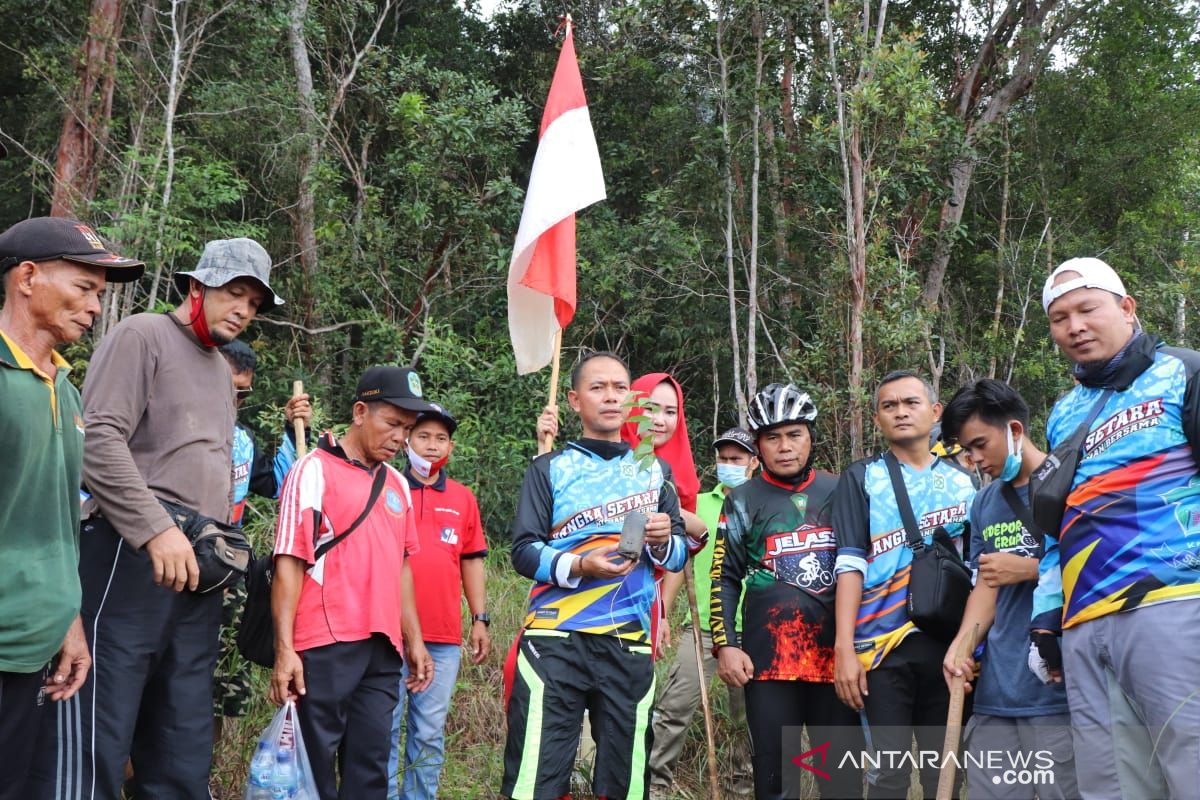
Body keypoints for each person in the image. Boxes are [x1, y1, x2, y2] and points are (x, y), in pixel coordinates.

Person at [28, 236, 281, 800]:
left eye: (255, 303)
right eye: (234, 294)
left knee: (181, 737)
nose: (244, 310)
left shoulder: (220, 369)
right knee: (97, 725)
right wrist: (155, 529)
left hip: (199, 568)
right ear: (197, 286)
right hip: (128, 551)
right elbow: (98, 442)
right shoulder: (143, 335)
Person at [1030, 257, 1200, 799]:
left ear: (1126, 308)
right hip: (1085, 625)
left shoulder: (1184, 371)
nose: (1075, 326)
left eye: (1087, 309)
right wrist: (1046, 616)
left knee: (1190, 762)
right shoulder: (1064, 412)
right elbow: (1059, 518)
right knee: (1111, 785)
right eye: (1060, 318)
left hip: (1173, 602)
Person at [0, 217, 143, 799]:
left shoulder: (66, 389)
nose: (93, 308)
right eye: (83, 289)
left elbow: (60, 521)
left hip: (35, 644)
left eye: (100, 296)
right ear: (27, 277)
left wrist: (70, 621)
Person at [502, 351, 687, 800]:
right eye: (597, 388)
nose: (610, 397)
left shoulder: (655, 471)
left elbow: (680, 554)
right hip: (555, 639)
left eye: (620, 388)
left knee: (626, 781)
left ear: (631, 400)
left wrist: (663, 540)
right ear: (573, 400)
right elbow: (523, 551)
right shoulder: (548, 468)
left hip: (628, 641)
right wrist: (580, 565)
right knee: (536, 779)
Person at [271, 365, 435, 799]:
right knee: (313, 765)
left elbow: (401, 565)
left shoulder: (397, 483)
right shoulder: (312, 471)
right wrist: (285, 648)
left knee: (370, 766)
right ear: (360, 411)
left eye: (408, 428)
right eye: (392, 423)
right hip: (323, 643)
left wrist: (413, 639)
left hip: (382, 648)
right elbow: (290, 559)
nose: (401, 437)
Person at [712, 385, 863, 799]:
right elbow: (724, 576)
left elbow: (865, 564)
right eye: (772, 437)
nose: (784, 447)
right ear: (758, 446)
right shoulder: (741, 500)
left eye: (794, 434)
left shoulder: (842, 488)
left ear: (811, 437)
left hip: (836, 660)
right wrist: (726, 644)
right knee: (776, 781)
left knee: (843, 780)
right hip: (769, 661)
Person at [832, 370, 977, 799]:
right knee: (888, 773)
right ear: (876, 418)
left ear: (935, 412)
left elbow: (975, 567)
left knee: (946, 772)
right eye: (889, 405)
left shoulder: (965, 481)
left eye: (911, 403)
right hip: (879, 648)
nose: (900, 412)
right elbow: (850, 564)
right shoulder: (860, 478)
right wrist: (844, 648)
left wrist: (972, 645)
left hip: (946, 646)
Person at [939, 379, 1077, 799]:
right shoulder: (984, 503)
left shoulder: (1071, 482)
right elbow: (986, 584)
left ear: (1014, 430)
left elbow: (1101, 570)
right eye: (968, 450)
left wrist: (1032, 568)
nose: (976, 460)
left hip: (1057, 693)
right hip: (997, 693)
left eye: (981, 444)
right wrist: (962, 644)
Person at [387, 403, 491, 800]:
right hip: (388, 633)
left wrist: (480, 618)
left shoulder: (463, 498)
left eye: (441, 438)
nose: (432, 446)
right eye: (424, 436)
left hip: (443, 638)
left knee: (429, 733)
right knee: (383, 729)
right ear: (407, 440)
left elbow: (472, 560)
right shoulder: (388, 487)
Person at [648, 427, 758, 799]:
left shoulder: (763, 502)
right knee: (673, 708)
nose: (727, 465)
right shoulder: (698, 504)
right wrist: (662, 610)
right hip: (701, 629)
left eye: (736, 459)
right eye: (723, 459)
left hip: (751, 632)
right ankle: (656, 786)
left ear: (754, 463)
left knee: (745, 720)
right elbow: (680, 561)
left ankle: (739, 788)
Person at [212, 340, 310, 732]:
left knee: (218, 684)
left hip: (224, 576)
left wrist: (293, 427)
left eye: (242, 392)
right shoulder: (167, 426)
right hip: (167, 574)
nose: (233, 400)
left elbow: (283, 483)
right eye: (227, 387)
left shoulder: (242, 441)